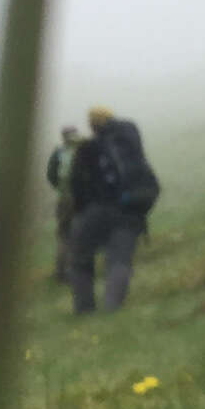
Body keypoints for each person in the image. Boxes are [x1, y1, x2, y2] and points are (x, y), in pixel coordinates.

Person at [69, 106, 161, 315]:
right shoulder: (129, 141)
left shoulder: (87, 149)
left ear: (93, 124)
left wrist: (81, 212)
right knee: (120, 261)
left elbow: (76, 185)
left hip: (96, 211)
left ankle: (84, 310)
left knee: (80, 260)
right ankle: (112, 308)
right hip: (131, 211)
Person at [45, 124, 82, 283]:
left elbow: (51, 175)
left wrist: (61, 189)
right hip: (83, 197)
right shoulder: (83, 151)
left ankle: (61, 272)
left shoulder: (58, 152)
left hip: (64, 198)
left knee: (64, 234)